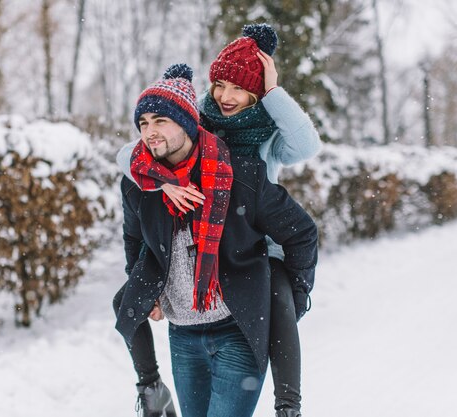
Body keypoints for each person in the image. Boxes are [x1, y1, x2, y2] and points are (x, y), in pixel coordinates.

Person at [116, 24, 321, 417]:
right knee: (126, 298)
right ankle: (150, 387)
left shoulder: (266, 142)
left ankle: (289, 405)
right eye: (219, 85)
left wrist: (273, 91)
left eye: (238, 88)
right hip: (197, 290)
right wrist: (162, 182)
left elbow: (306, 145)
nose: (226, 96)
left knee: (279, 302)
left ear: (255, 94)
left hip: (258, 245)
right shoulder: (195, 127)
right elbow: (138, 149)